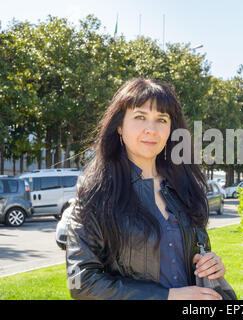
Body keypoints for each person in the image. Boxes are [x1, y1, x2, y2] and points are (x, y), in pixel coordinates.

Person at [66, 78, 226, 300]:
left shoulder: (185, 186)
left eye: (162, 119)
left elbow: (190, 255)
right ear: (119, 126)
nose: (151, 129)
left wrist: (210, 263)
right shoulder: (96, 191)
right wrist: (168, 296)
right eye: (140, 117)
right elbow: (81, 282)